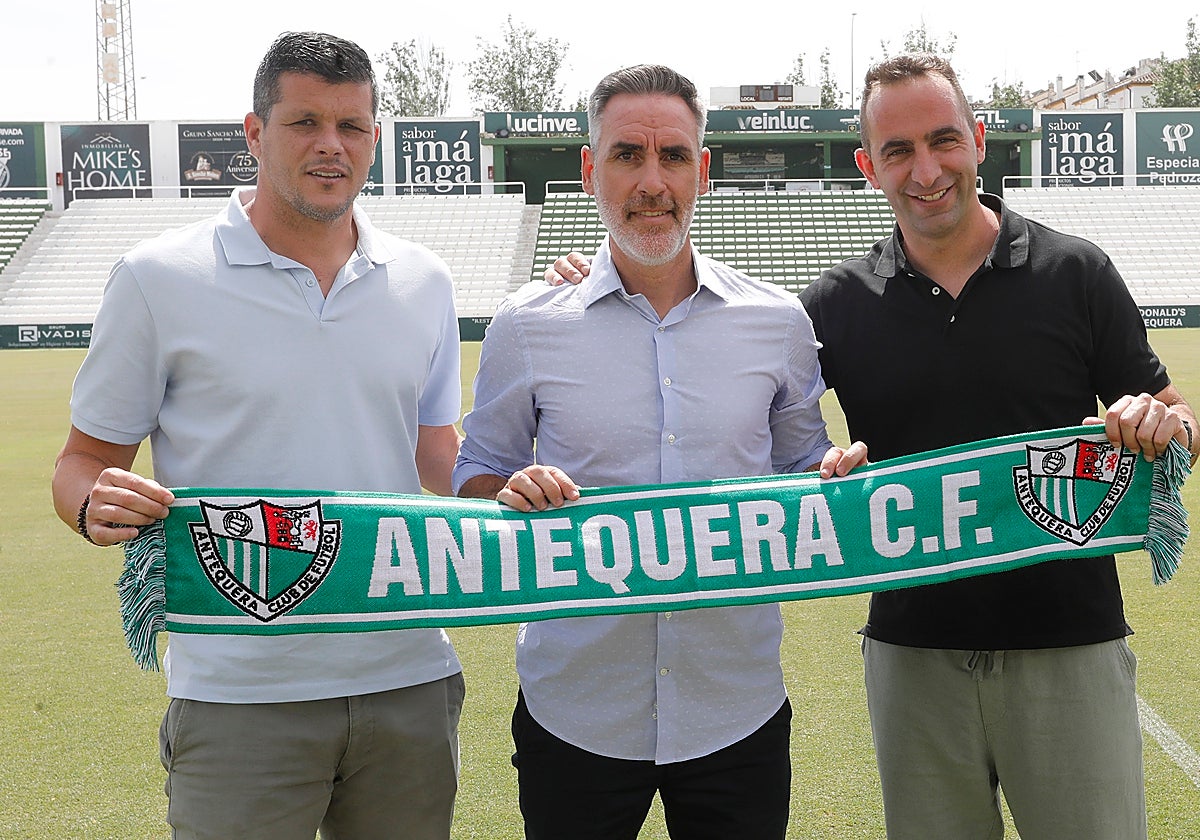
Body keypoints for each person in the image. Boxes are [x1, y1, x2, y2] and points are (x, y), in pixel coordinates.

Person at [546, 53, 1198, 840]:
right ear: (867, 166)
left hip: (1071, 646)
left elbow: (1177, 418)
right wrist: (595, 282)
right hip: (913, 658)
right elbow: (731, 370)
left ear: (979, 140)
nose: (925, 169)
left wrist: (1167, 425)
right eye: (897, 150)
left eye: (943, 140)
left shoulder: (1076, 272)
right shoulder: (834, 306)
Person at [51, 31, 465, 840]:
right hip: (239, 691)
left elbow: (437, 455)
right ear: (253, 133)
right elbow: (81, 463)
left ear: (375, 139)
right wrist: (90, 504)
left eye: (351, 127)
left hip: (408, 678)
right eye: (304, 121)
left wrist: (521, 489)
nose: (329, 146)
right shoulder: (158, 277)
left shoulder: (424, 280)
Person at [454, 64, 866, 840]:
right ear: (589, 170)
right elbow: (475, 472)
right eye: (627, 156)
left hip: (734, 708)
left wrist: (831, 479)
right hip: (574, 707)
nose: (652, 181)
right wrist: (507, 490)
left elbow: (801, 476)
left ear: (702, 173)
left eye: (673, 156)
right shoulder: (527, 323)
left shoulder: (776, 322)